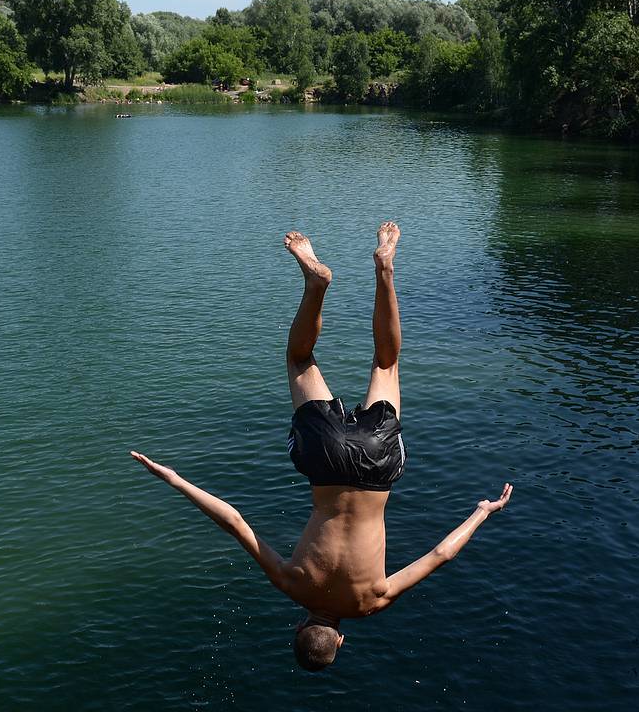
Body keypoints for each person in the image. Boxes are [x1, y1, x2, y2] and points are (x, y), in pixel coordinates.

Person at [131, 222, 514, 671]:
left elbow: (442, 554)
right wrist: (172, 477)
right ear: (297, 627)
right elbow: (234, 522)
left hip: (376, 466)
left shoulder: (372, 601)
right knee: (299, 359)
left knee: (386, 362)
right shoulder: (292, 585)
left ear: (341, 639)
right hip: (325, 461)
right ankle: (315, 283)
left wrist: (483, 511)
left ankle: (385, 268)